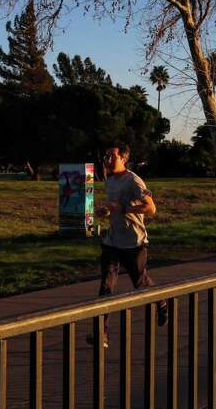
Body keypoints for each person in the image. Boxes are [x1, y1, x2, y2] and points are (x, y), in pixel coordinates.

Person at [89, 142, 167, 348]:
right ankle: (101, 335)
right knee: (106, 286)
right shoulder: (110, 180)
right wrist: (105, 211)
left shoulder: (134, 180)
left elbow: (151, 208)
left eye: (112, 156)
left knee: (140, 283)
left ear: (124, 159)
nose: (107, 160)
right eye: (105, 156)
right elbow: (113, 206)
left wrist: (122, 208)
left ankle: (160, 301)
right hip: (112, 241)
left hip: (133, 242)